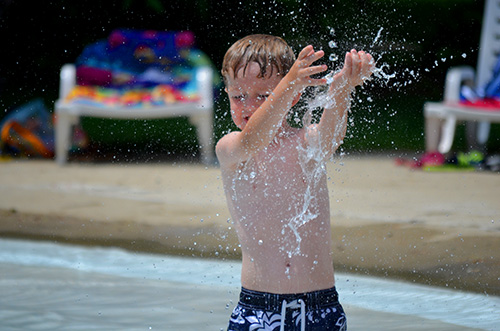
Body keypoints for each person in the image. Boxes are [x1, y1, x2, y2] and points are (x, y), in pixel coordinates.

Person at [216, 34, 374, 331]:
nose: (248, 105)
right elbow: (253, 140)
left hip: (320, 308)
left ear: (294, 96)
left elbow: (331, 137)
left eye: (263, 95)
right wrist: (288, 82)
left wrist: (344, 85)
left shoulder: (306, 143)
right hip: (258, 310)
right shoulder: (232, 149)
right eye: (238, 96)